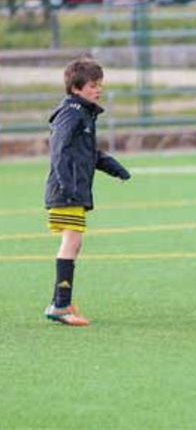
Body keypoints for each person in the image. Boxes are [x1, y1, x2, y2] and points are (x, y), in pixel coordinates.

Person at [44, 58, 131, 326]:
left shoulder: (83, 113)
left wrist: (111, 166)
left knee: (73, 242)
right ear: (76, 87)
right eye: (94, 85)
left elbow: (85, 152)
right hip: (67, 190)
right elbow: (59, 151)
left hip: (73, 189)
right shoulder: (71, 113)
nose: (99, 90)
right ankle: (60, 305)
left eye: (100, 85)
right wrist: (68, 186)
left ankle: (61, 301)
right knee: (72, 242)